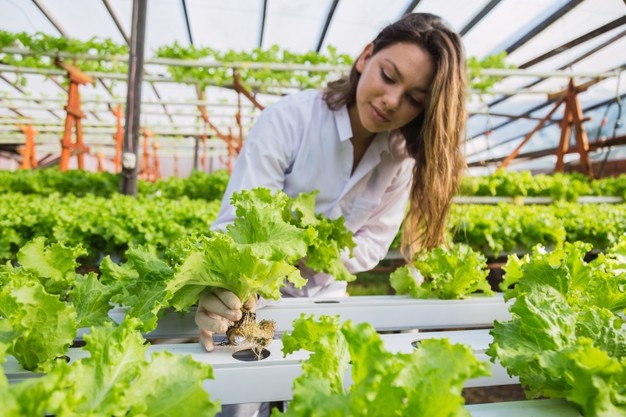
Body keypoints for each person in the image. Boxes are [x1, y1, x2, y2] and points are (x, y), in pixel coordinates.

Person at [195, 12, 467, 417]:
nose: (393, 102)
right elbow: (238, 224)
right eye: (389, 77)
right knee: (240, 407)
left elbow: (373, 243)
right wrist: (244, 280)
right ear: (365, 57)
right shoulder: (289, 120)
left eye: (414, 99)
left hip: (327, 303)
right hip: (255, 302)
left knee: (324, 402)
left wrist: (317, 253)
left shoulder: (399, 160)